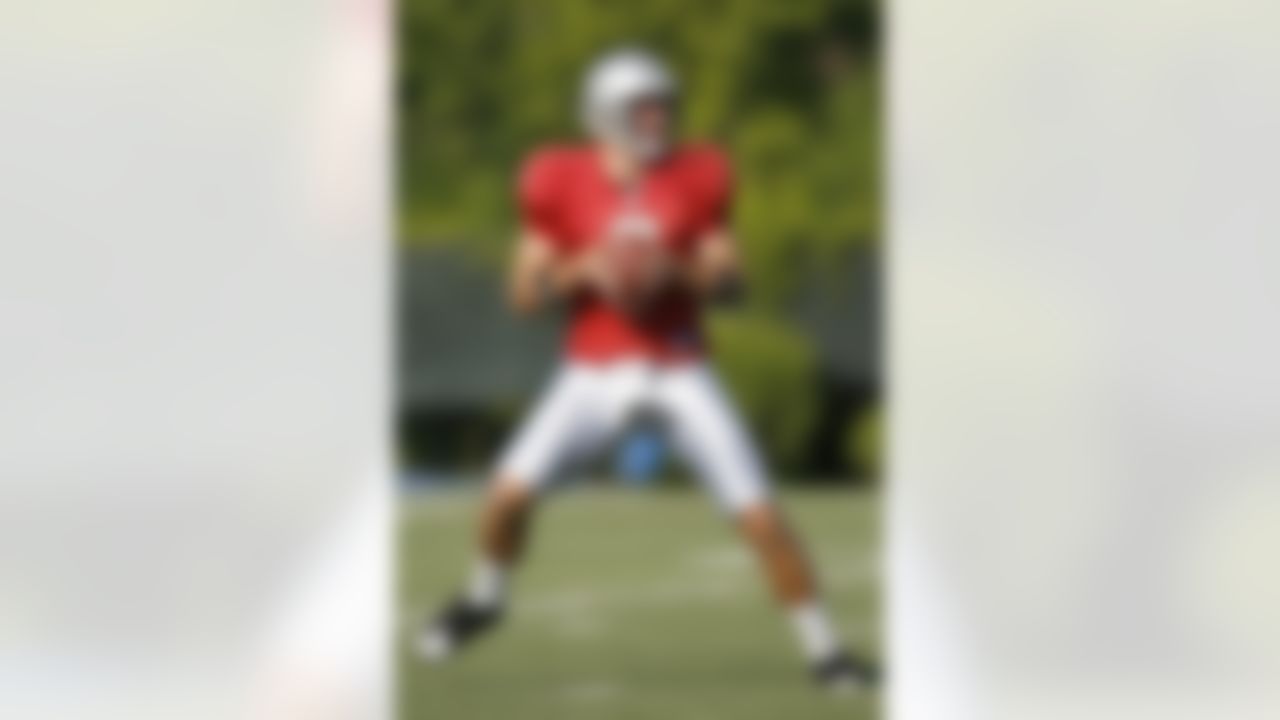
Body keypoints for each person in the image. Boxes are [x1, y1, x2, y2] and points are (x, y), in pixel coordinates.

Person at [417, 47, 873, 691]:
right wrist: (584, 268)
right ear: (606, 112)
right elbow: (522, 295)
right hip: (592, 370)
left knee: (763, 519)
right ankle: (485, 599)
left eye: (665, 103)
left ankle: (827, 652)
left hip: (678, 366)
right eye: (645, 105)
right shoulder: (555, 177)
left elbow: (734, 282)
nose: (661, 116)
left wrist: (676, 272)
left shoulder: (700, 174)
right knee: (504, 499)